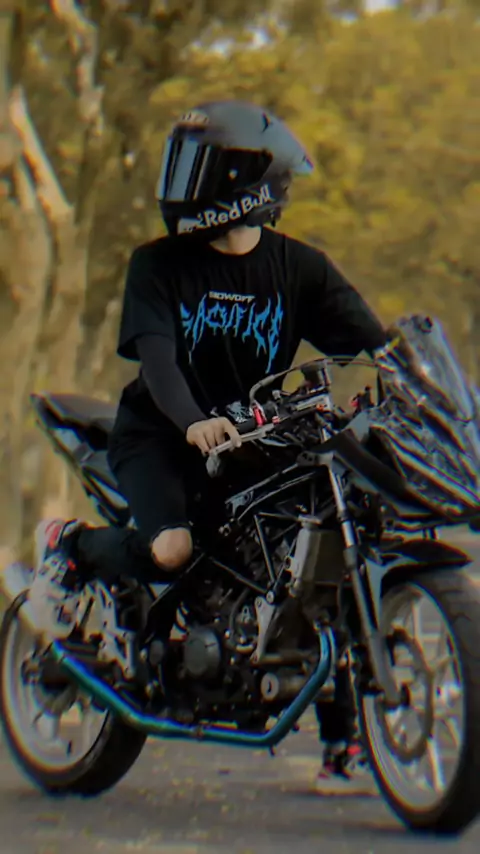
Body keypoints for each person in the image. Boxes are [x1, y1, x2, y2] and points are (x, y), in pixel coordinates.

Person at [27, 100, 384, 792]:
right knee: (172, 550)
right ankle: (74, 548)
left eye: (201, 166)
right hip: (161, 436)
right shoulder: (157, 266)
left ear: (253, 179)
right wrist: (193, 420)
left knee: (327, 551)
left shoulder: (301, 268)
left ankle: (343, 741)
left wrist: (418, 378)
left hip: (256, 439)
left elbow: (375, 342)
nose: (184, 181)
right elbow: (158, 360)